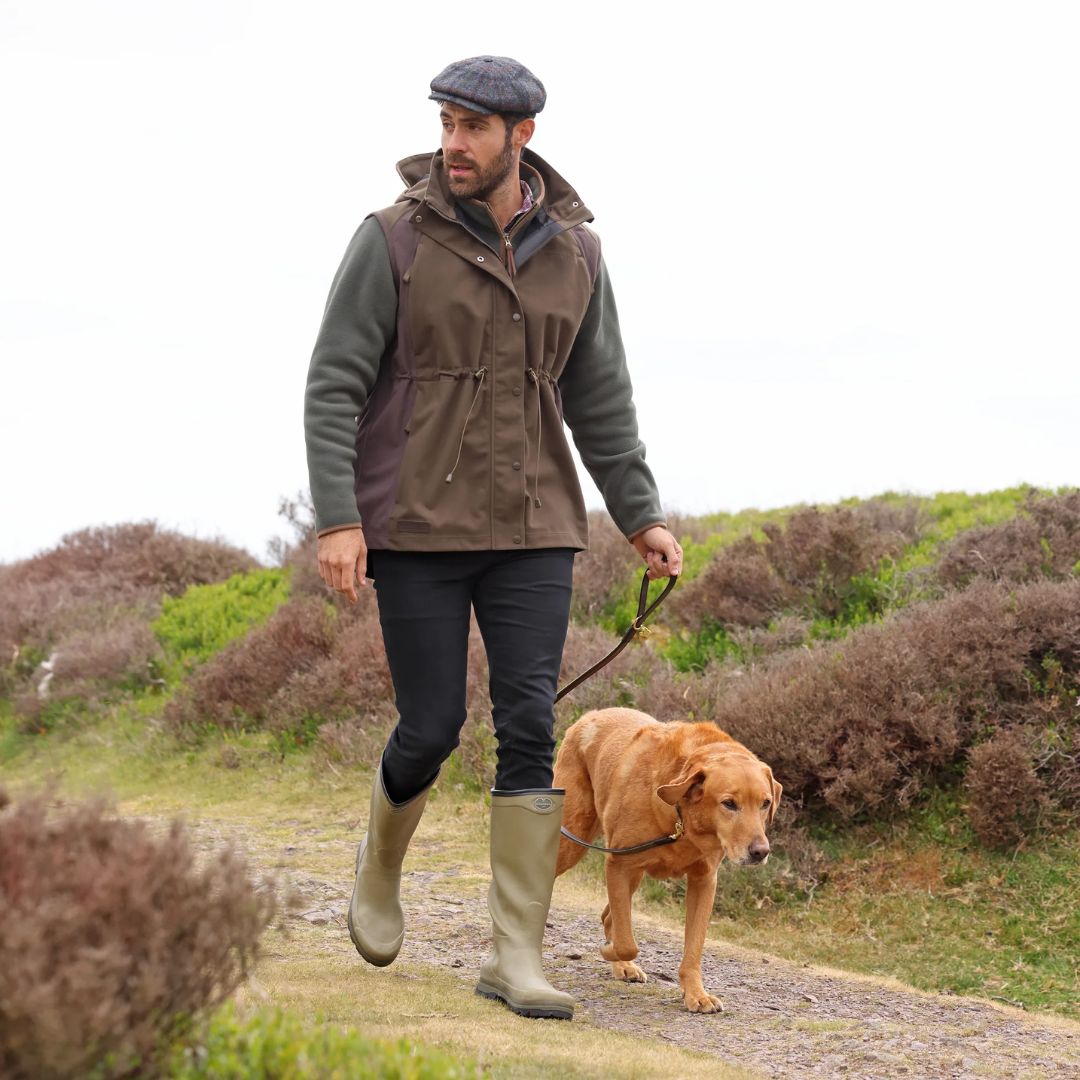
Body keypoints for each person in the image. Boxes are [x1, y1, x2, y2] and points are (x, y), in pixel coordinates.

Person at [304, 55, 682, 1021]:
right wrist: (341, 517)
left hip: (535, 529)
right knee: (429, 726)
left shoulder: (579, 253)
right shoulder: (391, 238)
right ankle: (378, 865)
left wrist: (638, 513)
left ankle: (515, 955)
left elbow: (600, 395)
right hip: (418, 527)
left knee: (529, 727)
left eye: (474, 127)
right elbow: (335, 383)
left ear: (523, 137)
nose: (453, 144)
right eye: (446, 124)